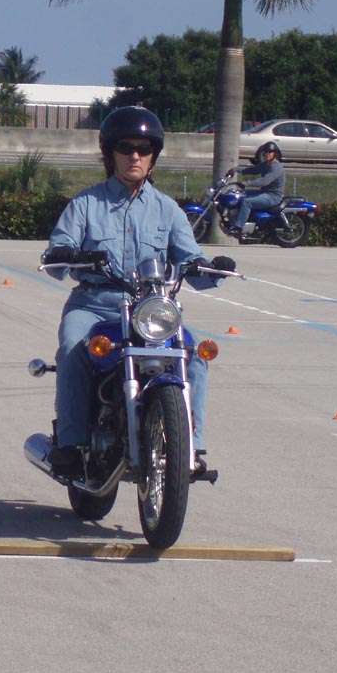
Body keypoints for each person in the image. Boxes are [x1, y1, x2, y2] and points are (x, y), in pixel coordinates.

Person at [41, 106, 236, 480]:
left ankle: (190, 449)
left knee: (194, 355)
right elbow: (57, 255)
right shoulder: (85, 204)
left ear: (153, 156)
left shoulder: (167, 210)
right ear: (110, 153)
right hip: (94, 306)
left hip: (151, 312)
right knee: (71, 349)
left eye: (143, 149)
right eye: (126, 148)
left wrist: (211, 267)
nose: (135, 156)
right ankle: (70, 443)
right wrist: (63, 253)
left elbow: (189, 258)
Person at [228, 141, 285, 236]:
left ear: (275, 153)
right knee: (239, 194)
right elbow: (253, 170)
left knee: (247, 202)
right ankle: (235, 219)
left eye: (270, 152)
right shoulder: (265, 164)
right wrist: (235, 169)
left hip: (273, 197)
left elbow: (264, 181)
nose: (267, 154)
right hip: (264, 193)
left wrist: (246, 183)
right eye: (265, 152)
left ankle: (238, 227)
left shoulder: (276, 168)